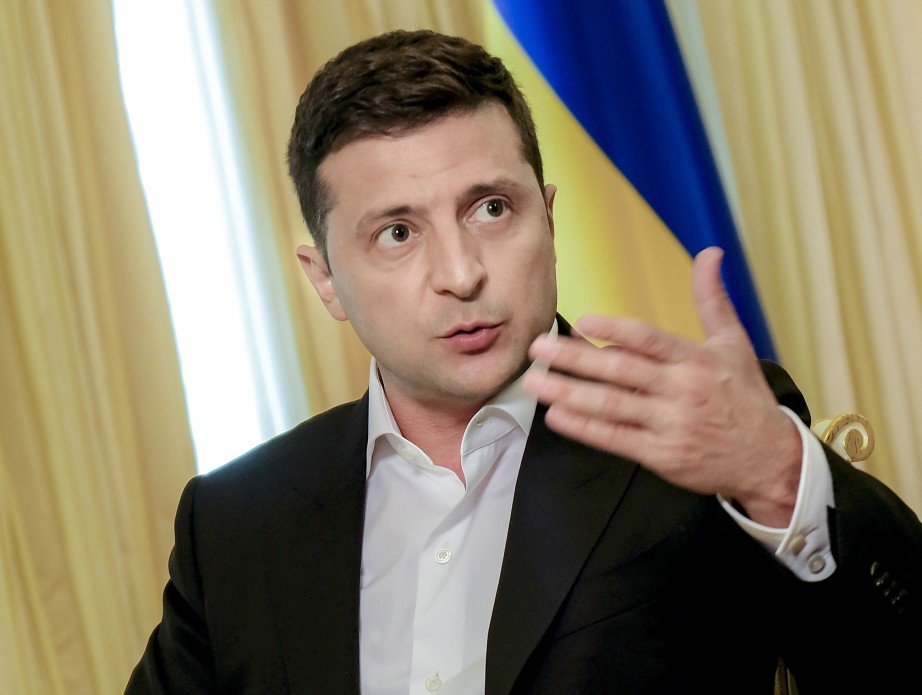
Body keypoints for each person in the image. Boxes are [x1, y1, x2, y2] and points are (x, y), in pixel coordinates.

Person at [127, 30, 920, 694]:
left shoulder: (701, 439)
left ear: (548, 217)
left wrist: (779, 474)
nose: (461, 272)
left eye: (491, 208)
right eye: (398, 233)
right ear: (325, 278)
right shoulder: (233, 524)